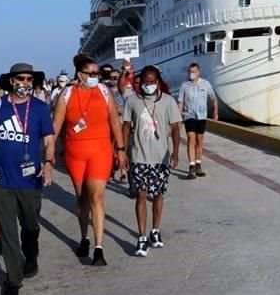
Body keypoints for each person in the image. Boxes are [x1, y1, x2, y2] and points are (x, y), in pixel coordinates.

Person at [0, 63, 54, 295]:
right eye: (21, 78)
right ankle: (13, 279)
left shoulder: (40, 108)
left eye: (29, 79)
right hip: (2, 179)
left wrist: (48, 163)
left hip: (30, 180)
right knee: (8, 230)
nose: (25, 83)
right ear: (11, 81)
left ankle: (31, 252)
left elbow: (49, 139)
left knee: (30, 225)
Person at [52, 54, 128, 266]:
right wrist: (48, 152)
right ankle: (84, 237)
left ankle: (99, 247)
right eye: (92, 73)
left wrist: (120, 149)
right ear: (80, 74)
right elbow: (56, 125)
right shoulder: (67, 94)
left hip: (100, 151)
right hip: (75, 153)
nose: (96, 76)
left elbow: (114, 120)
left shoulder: (104, 91)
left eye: (97, 73)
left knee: (96, 196)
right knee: (82, 199)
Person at [122, 66, 182, 256]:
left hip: (160, 157)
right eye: (145, 82)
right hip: (139, 156)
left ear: (157, 82)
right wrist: (122, 151)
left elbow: (175, 128)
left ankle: (155, 231)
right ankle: (141, 238)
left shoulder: (168, 101)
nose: (148, 85)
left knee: (158, 196)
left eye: (152, 82)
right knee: (141, 195)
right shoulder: (132, 101)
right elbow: (126, 126)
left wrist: (175, 153)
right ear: (140, 82)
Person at [178, 63, 219, 179]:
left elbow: (213, 98)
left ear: (198, 72)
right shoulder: (185, 86)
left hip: (201, 116)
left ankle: (198, 164)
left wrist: (215, 111)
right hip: (189, 115)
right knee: (191, 139)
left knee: (199, 141)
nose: (191, 74)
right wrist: (178, 117)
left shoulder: (205, 84)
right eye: (190, 71)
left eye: (194, 71)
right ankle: (191, 167)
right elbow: (180, 102)